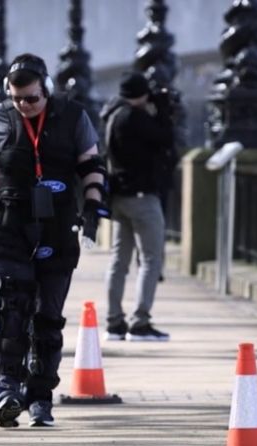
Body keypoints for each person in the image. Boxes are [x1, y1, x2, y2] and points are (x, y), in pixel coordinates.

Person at [0, 53, 108, 428]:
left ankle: (40, 397)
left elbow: (92, 166)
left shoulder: (73, 117)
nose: (24, 106)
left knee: (48, 318)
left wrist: (94, 207)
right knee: (11, 308)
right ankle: (5, 390)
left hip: (57, 224)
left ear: (46, 89)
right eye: (17, 99)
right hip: (10, 223)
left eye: (31, 98)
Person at [99, 72, 174, 342]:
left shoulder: (113, 115)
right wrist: (163, 111)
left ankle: (114, 322)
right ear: (141, 95)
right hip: (142, 197)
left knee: (119, 260)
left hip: (119, 197)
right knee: (151, 259)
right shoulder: (136, 118)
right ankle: (140, 322)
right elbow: (165, 139)